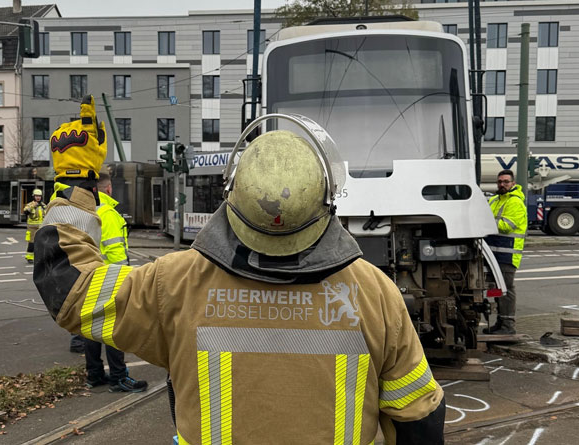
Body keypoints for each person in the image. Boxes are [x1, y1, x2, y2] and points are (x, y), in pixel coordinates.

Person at [35, 105, 445, 443]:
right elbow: (418, 418)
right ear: (326, 199)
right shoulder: (374, 294)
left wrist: (76, 181)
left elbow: (70, 289)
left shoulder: (175, 284)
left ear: (230, 190)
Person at [81, 169, 147, 393]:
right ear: (108, 188)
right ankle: (119, 377)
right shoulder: (107, 213)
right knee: (114, 330)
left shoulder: (84, 211)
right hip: (109, 279)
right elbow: (116, 252)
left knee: (92, 330)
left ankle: (94, 375)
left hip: (88, 277)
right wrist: (126, 282)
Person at [484, 169, 528, 335]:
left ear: (513, 184)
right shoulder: (496, 199)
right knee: (498, 289)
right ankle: (501, 323)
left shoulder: (515, 202)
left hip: (507, 254)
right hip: (494, 254)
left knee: (507, 289)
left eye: (506, 182)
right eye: (500, 181)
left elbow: (505, 226)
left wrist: (485, 222)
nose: (502, 184)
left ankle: (508, 326)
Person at [23, 189, 45, 263]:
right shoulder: (30, 204)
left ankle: (39, 257)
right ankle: (29, 257)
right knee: (32, 243)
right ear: (33, 196)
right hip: (32, 227)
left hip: (41, 227)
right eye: (36, 196)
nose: (38, 197)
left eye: (39, 196)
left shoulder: (43, 205)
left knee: (41, 243)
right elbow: (25, 212)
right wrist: (32, 206)